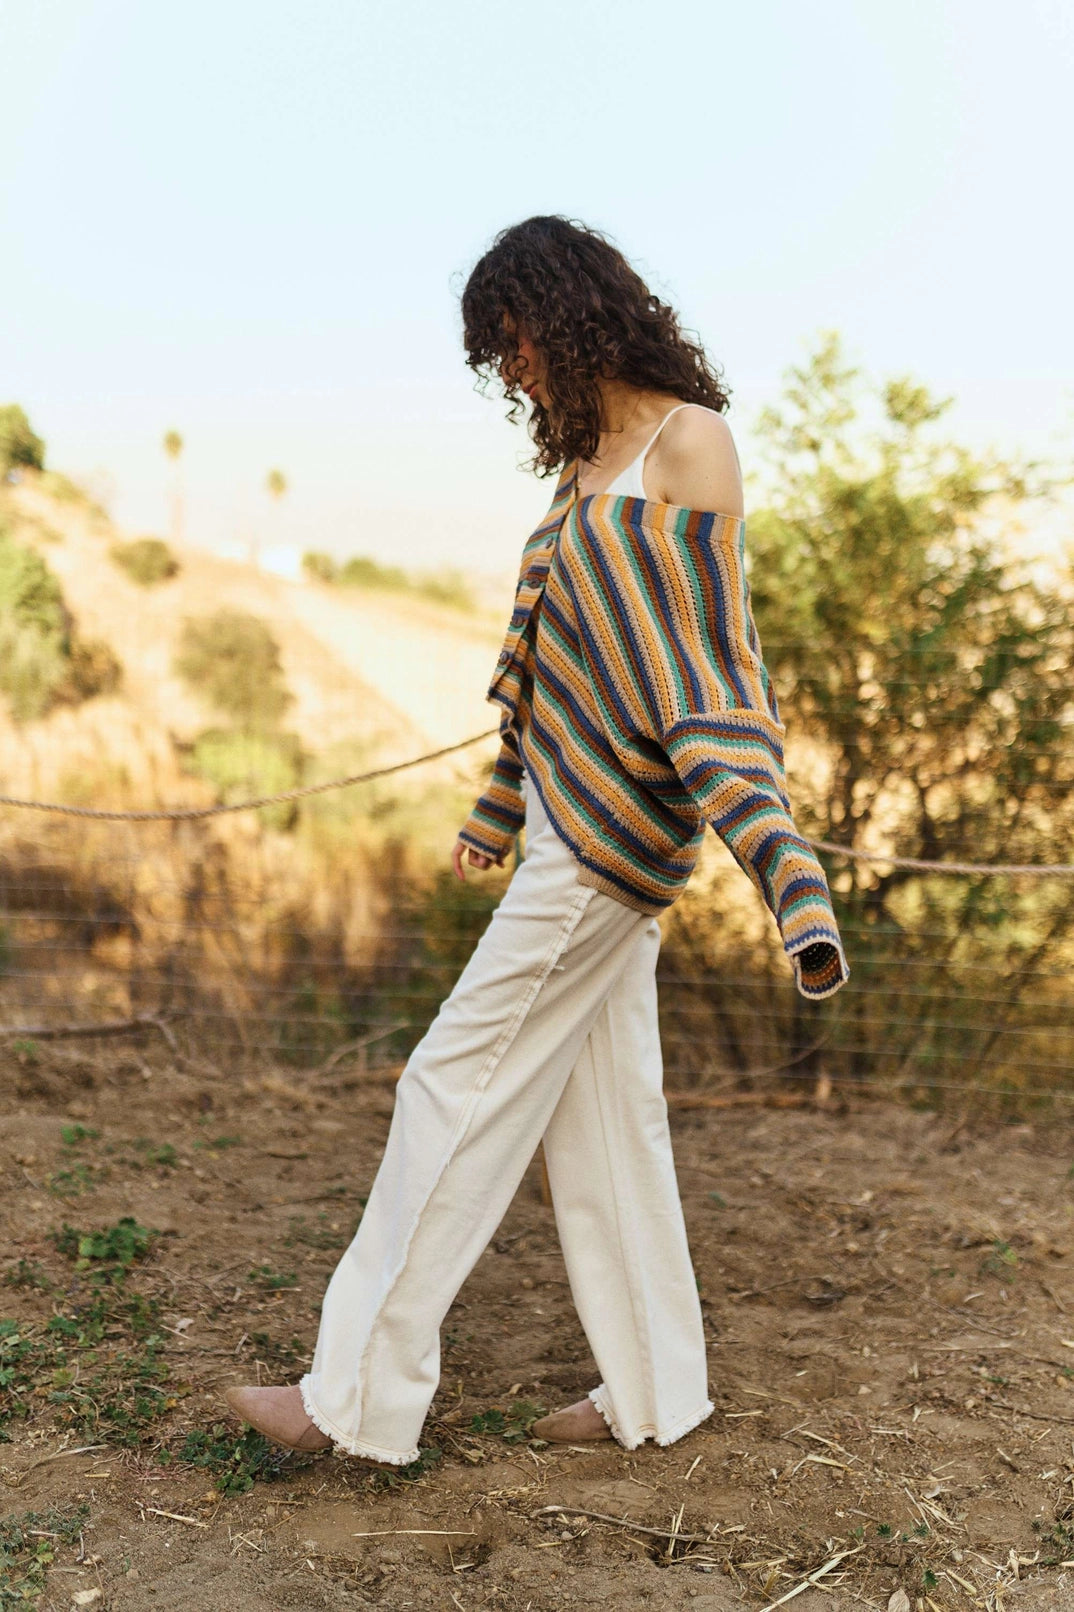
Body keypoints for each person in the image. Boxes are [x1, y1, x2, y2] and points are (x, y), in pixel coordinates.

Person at [225, 215, 849, 1464]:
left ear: (565, 311)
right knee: (608, 1123)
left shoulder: (690, 445)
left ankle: (349, 1402)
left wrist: (786, 868)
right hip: (566, 825)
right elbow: (556, 669)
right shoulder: (580, 473)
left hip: (610, 850)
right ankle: (658, 1399)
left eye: (510, 339)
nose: (508, 368)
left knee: (446, 1083)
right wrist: (505, 804)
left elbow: (711, 669)